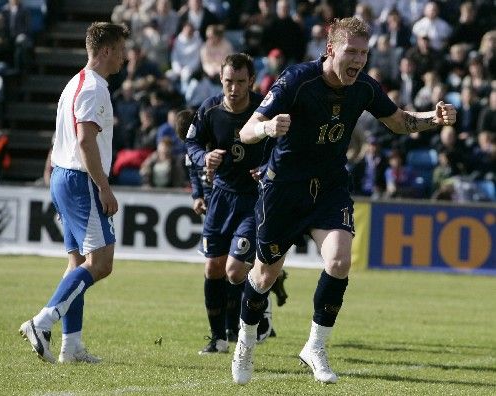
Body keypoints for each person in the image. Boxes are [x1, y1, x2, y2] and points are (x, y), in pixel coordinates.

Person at [231, 16, 456, 385]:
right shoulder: (297, 80)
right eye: (351, 51)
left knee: (338, 261)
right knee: (264, 274)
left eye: (364, 53)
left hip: (331, 185)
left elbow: (398, 121)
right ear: (331, 49)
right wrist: (268, 127)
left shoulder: (364, 87)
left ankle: (315, 347)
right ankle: (245, 342)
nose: (358, 60)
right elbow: (247, 129)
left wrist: (435, 118)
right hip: (284, 188)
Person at [18, 22, 129, 364]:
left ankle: (72, 345)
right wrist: (104, 187)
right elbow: (85, 140)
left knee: (78, 263)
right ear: (108, 50)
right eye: (121, 49)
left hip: (63, 175)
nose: (125, 57)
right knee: (102, 262)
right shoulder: (95, 87)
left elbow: (63, 139)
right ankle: (43, 321)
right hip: (81, 180)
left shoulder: (73, 84)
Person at [185, 53, 286, 355]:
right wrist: (205, 157)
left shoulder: (263, 111)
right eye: (229, 81)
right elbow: (190, 143)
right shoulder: (209, 109)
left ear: (251, 81)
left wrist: (268, 166)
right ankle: (217, 339)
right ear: (221, 79)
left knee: (233, 270)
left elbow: (284, 146)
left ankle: (259, 308)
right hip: (220, 197)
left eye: (241, 82)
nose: (234, 88)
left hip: (253, 200)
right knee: (213, 268)